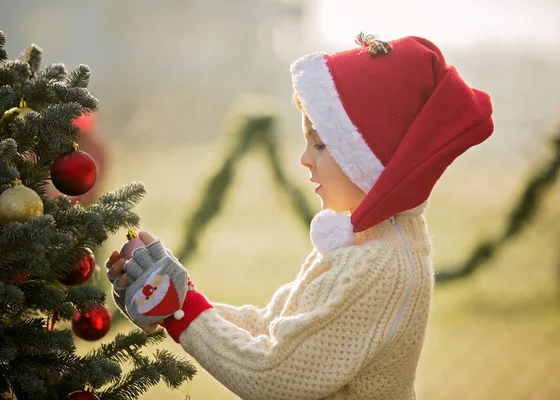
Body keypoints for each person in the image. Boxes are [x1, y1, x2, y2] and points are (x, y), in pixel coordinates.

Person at [106, 33, 493, 399]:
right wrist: (173, 300)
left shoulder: (378, 263)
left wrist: (179, 309)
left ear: (373, 158)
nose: (305, 159)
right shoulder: (364, 238)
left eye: (321, 143)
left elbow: (273, 375)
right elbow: (272, 327)